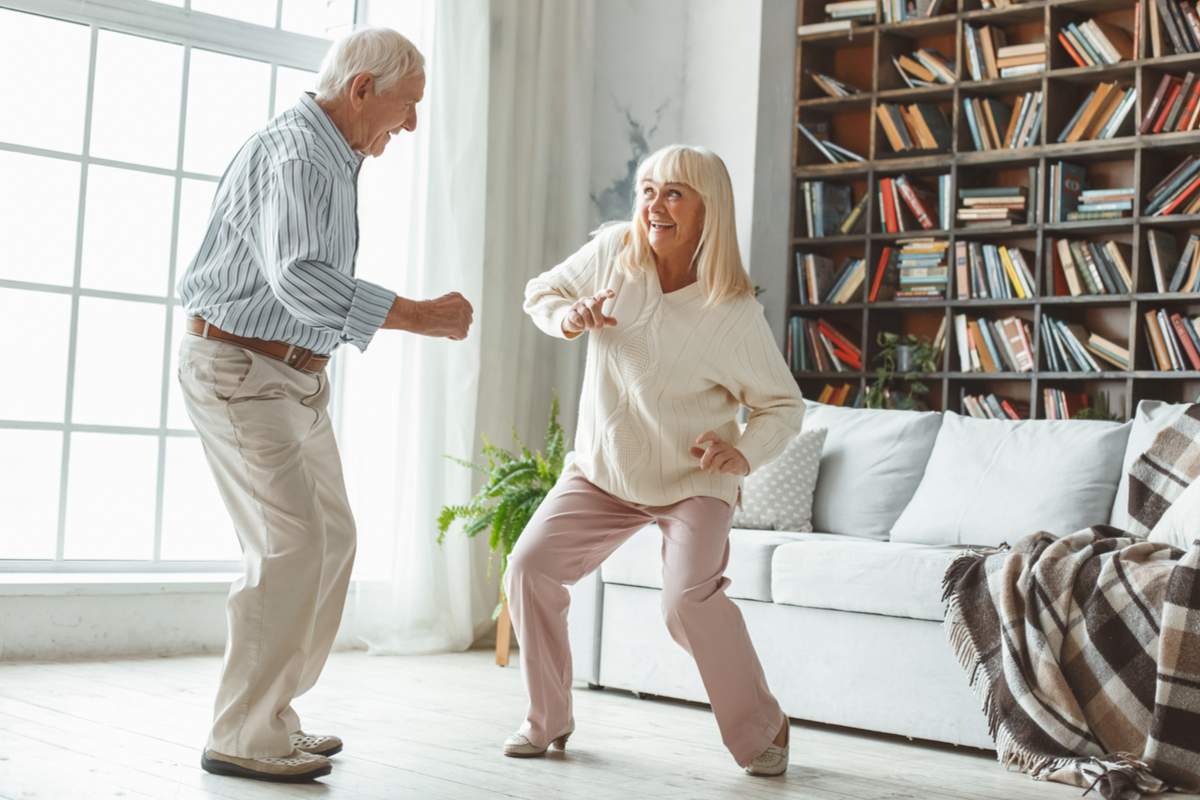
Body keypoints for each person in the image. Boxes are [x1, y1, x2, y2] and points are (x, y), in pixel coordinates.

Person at [176, 28, 473, 783]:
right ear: (362, 89)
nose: (409, 126)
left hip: (291, 376)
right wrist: (419, 314)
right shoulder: (301, 153)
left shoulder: (333, 151)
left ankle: (271, 715)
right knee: (290, 546)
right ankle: (243, 732)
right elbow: (301, 280)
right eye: (406, 107)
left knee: (331, 540)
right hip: (241, 368)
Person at [506, 144, 805, 776]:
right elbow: (542, 291)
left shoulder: (732, 311)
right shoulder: (615, 253)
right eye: (647, 189)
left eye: (674, 192)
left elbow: (783, 406)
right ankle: (548, 718)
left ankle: (762, 727)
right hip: (603, 469)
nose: (654, 204)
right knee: (530, 566)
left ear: (707, 209)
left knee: (687, 603)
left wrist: (742, 451)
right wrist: (569, 316)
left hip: (696, 479)